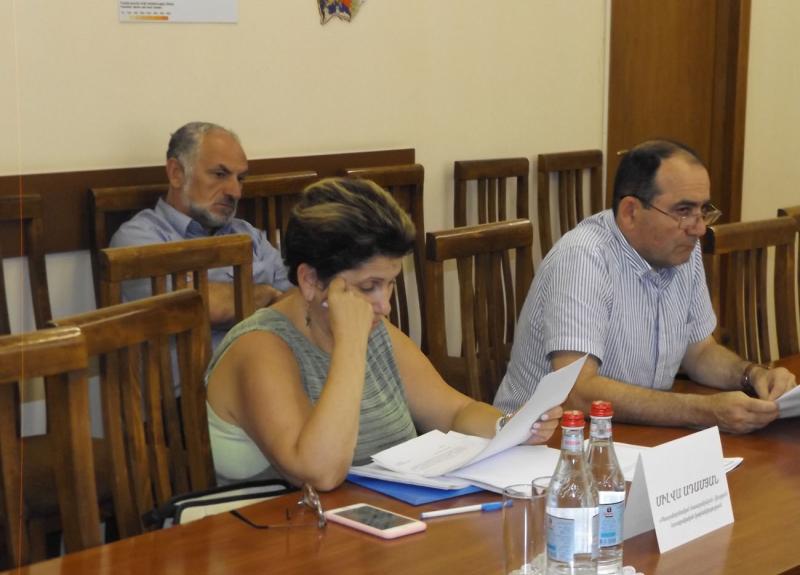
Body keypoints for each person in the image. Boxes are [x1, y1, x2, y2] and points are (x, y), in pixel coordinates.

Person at [205, 178, 562, 489]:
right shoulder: (259, 348)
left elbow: (455, 411)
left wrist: (510, 426)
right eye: (368, 286)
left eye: (390, 284)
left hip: (371, 521)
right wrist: (350, 345)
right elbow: (319, 473)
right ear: (310, 280)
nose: (385, 305)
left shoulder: (374, 330)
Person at [494, 139, 796, 434]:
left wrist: (753, 375)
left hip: (628, 433)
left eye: (703, 210)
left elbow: (700, 352)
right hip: (540, 442)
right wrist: (705, 410)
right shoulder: (583, 258)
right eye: (683, 211)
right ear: (630, 212)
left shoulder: (681, 249)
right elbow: (577, 392)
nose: (700, 228)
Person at [110, 121, 292, 349]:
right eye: (219, 174)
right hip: (202, 371)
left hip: (271, 361)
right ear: (176, 173)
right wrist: (266, 293)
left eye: (240, 179)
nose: (235, 192)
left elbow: (297, 298)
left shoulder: (248, 234)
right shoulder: (138, 239)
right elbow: (198, 306)